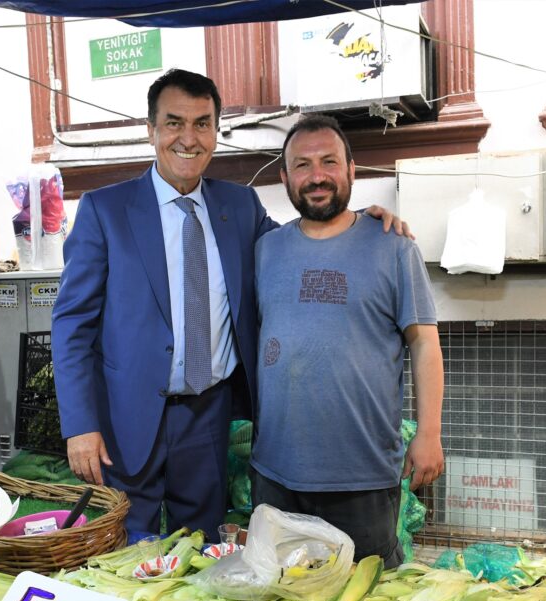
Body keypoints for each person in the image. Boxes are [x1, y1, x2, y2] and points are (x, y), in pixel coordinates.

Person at [52, 69, 406, 540]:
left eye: (202, 124)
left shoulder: (238, 206)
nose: (188, 138)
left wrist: (357, 219)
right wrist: (80, 425)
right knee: (122, 551)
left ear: (216, 132)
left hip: (208, 415)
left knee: (200, 548)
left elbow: (299, 241)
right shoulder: (104, 210)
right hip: (125, 418)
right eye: (174, 123)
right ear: (151, 129)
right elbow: (71, 325)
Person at [249, 114, 444, 568]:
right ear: (284, 178)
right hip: (276, 473)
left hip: (362, 475)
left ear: (353, 171)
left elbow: (425, 345)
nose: (316, 176)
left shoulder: (393, 247)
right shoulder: (265, 250)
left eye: (329, 162)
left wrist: (430, 433)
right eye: (302, 165)